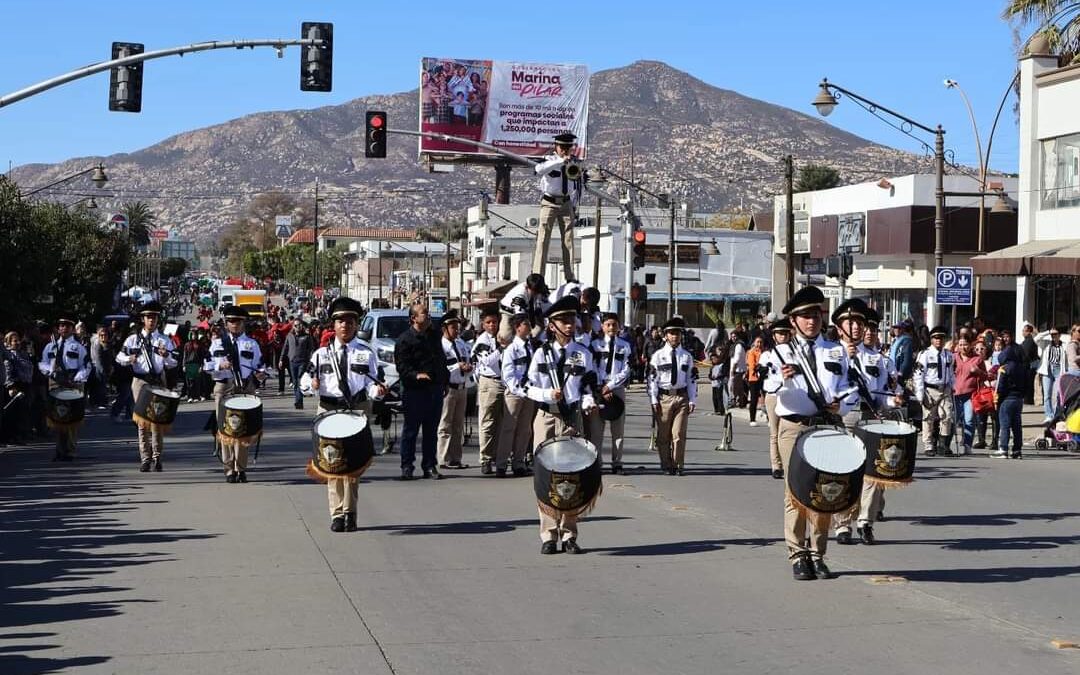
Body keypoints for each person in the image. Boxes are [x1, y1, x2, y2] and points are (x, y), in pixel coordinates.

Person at [772, 285, 853, 580]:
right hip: (794, 427)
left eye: (816, 315)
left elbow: (847, 388)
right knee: (795, 493)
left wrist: (840, 405)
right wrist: (779, 379)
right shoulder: (780, 352)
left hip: (825, 426)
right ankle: (797, 554)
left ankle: (818, 553)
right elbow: (767, 387)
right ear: (793, 321)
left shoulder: (835, 350)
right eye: (805, 316)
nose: (812, 321)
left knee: (824, 492)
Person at [525, 295, 597, 554]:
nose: (569, 325)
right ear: (551, 325)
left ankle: (569, 534)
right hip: (547, 417)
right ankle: (548, 534)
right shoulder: (539, 354)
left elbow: (589, 383)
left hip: (571, 417)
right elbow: (526, 385)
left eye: (572, 320)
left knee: (571, 475)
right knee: (546, 476)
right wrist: (546, 395)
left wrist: (588, 401)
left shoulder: (582, 354)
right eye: (563, 321)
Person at [308, 297, 386, 532]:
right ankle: (336, 515)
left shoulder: (365, 353)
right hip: (328, 409)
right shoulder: (321, 354)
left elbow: (372, 383)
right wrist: (310, 384)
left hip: (355, 410)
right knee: (332, 464)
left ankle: (350, 512)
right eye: (341, 321)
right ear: (334, 325)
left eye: (350, 321)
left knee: (351, 466)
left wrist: (379, 391)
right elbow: (306, 378)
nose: (345, 325)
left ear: (356, 324)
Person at [830, 301, 898, 546]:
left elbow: (881, 393)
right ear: (839, 327)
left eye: (860, 323)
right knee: (844, 471)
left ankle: (865, 522)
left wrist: (892, 401)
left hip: (869, 416)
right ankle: (842, 523)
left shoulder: (875, 358)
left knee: (872, 473)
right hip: (843, 417)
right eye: (851, 323)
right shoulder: (830, 352)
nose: (857, 328)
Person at [206, 306, 266, 483]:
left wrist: (260, 374)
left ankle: (241, 468)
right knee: (225, 430)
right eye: (231, 321)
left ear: (243, 323)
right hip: (224, 388)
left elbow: (260, 365)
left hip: (243, 389)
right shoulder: (217, 343)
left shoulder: (251, 344)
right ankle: (228, 468)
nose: (235, 325)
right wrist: (220, 366)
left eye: (238, 321)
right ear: (226, 323)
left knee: (243, 431)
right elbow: (206, 365)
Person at [116, 302, 177, 472]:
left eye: (154, 317)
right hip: (140, 381)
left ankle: (157, 457)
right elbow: (119, 357)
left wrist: (166, 357)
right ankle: (145, 458)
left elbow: (173, 363)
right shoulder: (133, 339)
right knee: (142, 421)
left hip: (158, 380)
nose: (152, 320)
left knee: (157, 420)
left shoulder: (164, 340)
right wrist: (129, 360)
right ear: (143, 319)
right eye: (148, 317)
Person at [394, 301, 450, 480]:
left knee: (431, 430)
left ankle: (429, 465)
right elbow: (402, 366)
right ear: (413, 318)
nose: (428, 315)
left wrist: (444, 379)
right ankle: (407, 466)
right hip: (414, 391)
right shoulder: (404, 339)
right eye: (424, 313)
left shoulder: (434, 336)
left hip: (434, 389)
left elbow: (440, 359)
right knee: (411, 431)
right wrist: (416, 375)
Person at [648, 316, 698, 476]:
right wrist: (654, 399)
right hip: (664, 398)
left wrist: (692, 400)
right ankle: (665, 464)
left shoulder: (686, 356)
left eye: (677, 333)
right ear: (665, 336)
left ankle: (678, 464)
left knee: (678, 434)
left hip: (681, 397)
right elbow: (652, 380)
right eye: (671, 333)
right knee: (663, 436)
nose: (675, 336)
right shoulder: (658, 356)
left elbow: (691, 379)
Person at [38, 316, 91, 461]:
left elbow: (86, 366)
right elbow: (42, 362)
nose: (64, 328)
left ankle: (70, 450)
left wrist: (77, 379)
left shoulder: (78, 347)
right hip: (55, 382)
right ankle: (59, 450)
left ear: (72, 329)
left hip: (73, 382)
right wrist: (50, 371)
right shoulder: (50, 346)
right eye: (61, 326)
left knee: (72, 418)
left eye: (67, 326)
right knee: (56, 417)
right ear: (58, 328)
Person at [531, 132, 582, 282]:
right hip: (549, 202)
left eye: (568, 147)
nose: (566, 150)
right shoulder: (548, 160)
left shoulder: (575, 162)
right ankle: (538, 276)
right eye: (562, 147)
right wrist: (560, 161)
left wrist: (574, 205)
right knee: (543, 239)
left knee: (568, 240)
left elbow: (578, 185)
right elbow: (538, 170)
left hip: (566, 203)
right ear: (556, 146)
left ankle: (570, 276)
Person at [588, 312, 632, 474]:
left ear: (619, 326)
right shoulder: (595, 345)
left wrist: (611, 385)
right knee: (596, 429)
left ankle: (617, 462)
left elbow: (626, 369)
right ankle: (596, 462)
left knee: (618, 429)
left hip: (616, 389)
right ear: (602, 326)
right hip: (599, 389)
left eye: (614, 324)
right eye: (608, 324)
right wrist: (601, 387)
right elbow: (591, 366)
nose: (611, 327)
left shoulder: (625, 346)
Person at [497, 313, 536, 477]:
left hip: (529, 392)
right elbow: (508, 374)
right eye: (525, 324)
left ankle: (518, 462)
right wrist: (519, 390)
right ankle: (501, 464)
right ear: (517, 327)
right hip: (515, 393)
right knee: (508, 428)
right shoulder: (511, 348)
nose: (528, 327)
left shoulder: (531, 347)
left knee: (524, 429)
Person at [437, 309, 472, 470]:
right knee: (445, 424)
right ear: (445, 329)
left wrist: (468, 367)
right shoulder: (441, 346)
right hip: (448, 388)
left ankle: (455, 458)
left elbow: (468, 360)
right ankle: (442, 458)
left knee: (458, 425)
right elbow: (441, 368)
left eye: (457, 327)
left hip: (462, 387)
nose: (456, 330)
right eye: (453, 327)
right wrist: (457, 366)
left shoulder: (461, 344)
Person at [471, 307, 505, 475]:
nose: (492, 325)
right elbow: (488, 361)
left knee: (501, 423)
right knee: (487, 422)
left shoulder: (502, 338)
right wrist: (501, 349)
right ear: (483, 324)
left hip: (504, 382)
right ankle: (485, 458)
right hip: (489, 382)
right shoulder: (482, 341)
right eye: (488, 322)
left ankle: (500, 456)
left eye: (494, 322)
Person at [913, 325, 955, 456]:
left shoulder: (948, 355)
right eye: (936, 338)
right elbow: (918, 374)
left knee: (947, 416)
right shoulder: (925, 354)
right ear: (931, 339)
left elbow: (951, 372)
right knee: (928, 418)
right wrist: (920, 393)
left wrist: (953, 386)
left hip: (945, 389)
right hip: (930, 390)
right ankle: (929, 445)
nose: (939, 341)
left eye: (942, 338)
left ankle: (943, 444)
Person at [760, 320, 792, 479]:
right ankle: (776, 465)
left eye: (786, 333)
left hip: (789, 394)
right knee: (774, 431)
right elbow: (763, 375)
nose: (783, 336)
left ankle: (787, 463)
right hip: (773, 394)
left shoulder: (795, 351)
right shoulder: (767, 354)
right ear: (774, 336)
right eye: (780, 333)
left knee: (786, 431)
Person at [994, 331, 1028, 459]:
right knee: (1017, 425)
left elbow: (1000, 386)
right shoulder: (1021, 367)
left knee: (1005, 424)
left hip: (1006, 398)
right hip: (1018, 398)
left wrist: (997, 398)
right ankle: (1017, 449)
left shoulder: (1004, 368)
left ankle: (1003, 448)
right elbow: (1026, 383)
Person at [953, 335, 987, 454]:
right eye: (961, 345)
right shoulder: (953, 358)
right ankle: (944, 445)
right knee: (953, 420)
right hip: (955, 394)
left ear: (970, 345)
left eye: (965, 344)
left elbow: (986, 376)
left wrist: (978, 372)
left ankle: (968, 445)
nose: (963, 347)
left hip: (970, 394)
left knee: (969, 420)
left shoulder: (977, 359)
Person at [498, 273, 550, 343]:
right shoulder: (520, 295)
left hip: (527, 310)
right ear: (527, 287)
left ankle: (531, 343)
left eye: (538, 292)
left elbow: (547, 304)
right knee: (505, 336)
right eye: (534, 292)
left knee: (538, 328)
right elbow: (520, 318)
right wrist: (526, 331)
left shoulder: (539, 289)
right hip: (509, 312)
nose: (536, 294)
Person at [281, 317, 316, 410]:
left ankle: (298, 402)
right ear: (293, 326)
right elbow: (285, 348)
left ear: (302, 326)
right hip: (292, 361)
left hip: (302, 362)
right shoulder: (289, 336)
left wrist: (311, 361)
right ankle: (298, 400)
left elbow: (311, 349)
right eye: (296, 325)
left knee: (300, 380)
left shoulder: (307, 337)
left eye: (299, 325)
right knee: (295, 382)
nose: (298, 327)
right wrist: (281, 359)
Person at [1035, 326, 1066, 422]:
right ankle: (1049, 415)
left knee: (1057, 394)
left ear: (1059, 335)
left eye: (1055, 334)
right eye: (1052, 334)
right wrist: (1048, 332)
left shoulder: (1064, 345)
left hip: (1058, 370)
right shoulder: (1046, 343)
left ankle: (1057, 414)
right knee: (1047, 394)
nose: (1053, 336)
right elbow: (1036, 338)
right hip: (1047, 370)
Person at [746, 336, 765, 426]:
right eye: (757, 342)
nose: (759, 344)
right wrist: (757, 369)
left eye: (761, 342)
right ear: (754, 343)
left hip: (764, 377)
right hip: (754, 378)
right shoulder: (751, 352)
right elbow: (751, 365)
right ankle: (752, 419)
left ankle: (769, 417)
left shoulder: (765, 352)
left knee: (766, 397)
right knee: (754, 399)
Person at [889, 320, 914, 386]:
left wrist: (901, 372)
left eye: (899, 328)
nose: (897, 330)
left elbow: (907, 358)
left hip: (899, 373)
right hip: (892, 371)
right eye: (895, 328)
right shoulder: (895, 340)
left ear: (903, 329)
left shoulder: (906, 341)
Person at [1020, 322, 1039, 405]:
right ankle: (1028, 400)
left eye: (1025, 331)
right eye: (1023, 331)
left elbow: (1026, 354)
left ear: (1029, 332)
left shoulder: (1029, 341)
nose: (1023, 332)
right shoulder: (1027, 341)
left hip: (1029, 366)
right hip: (1028, 366)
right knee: (1029, 384)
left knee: (1028, 384)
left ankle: (1028, 400)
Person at [728, 333, 748, 408]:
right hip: (736, 369)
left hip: (738, 370)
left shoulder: (739, 345)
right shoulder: (734, 345)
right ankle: (739, 403)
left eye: (735, 336)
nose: (733, 338)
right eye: (732, 336)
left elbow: (737, 358)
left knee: (735, 387)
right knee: (738, 387)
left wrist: (733, 369)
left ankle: (738, 402)